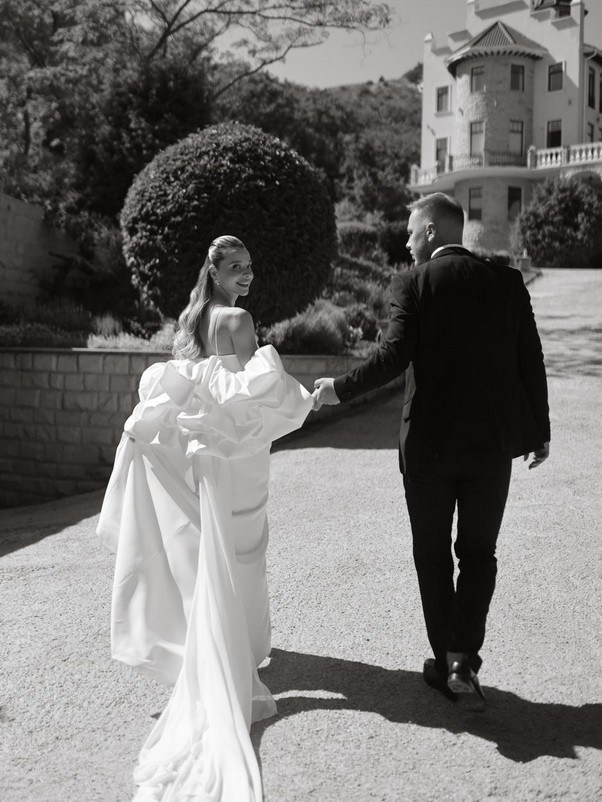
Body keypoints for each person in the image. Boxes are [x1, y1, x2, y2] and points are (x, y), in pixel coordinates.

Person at [97, 235, 315, 801]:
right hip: (236, 455)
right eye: (236, 267)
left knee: (218, 547)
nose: (246, 276)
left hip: (205, 456)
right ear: (215, 271)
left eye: (250, 265)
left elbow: (194, 386)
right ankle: (235, 652)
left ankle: (221, 641)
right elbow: (251, 396)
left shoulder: (192, 316)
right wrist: (304, 399)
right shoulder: (237, 319)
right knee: (243, 550)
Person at [314, 193, 550, 708]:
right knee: (479, 553)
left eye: (409, 230)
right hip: (490, 449)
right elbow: (529, 360)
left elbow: (394, 355)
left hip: (428, 450)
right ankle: (463, 655)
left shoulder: (412, 284)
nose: (404, 240)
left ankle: (447, 662)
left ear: (430, 233)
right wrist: (539, 432)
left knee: (432, 556)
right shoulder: (507, 284)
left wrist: (339, 389)